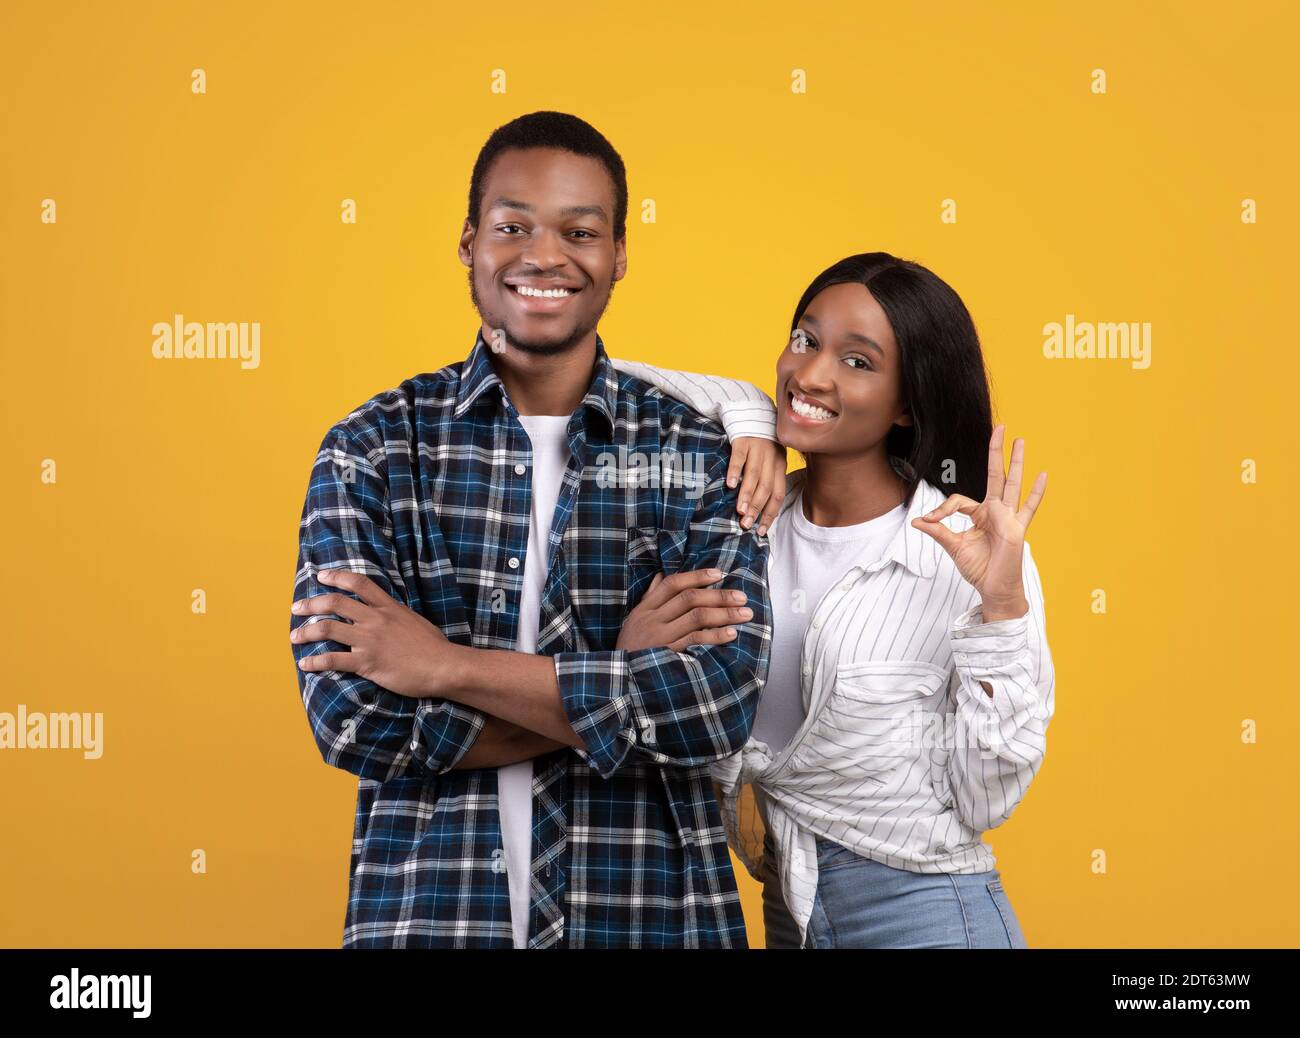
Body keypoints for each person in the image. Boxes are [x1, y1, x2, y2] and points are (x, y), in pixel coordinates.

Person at [287, 111, 787, 948]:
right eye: (512, 225)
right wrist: (622, 674)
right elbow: (352, 718)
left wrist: (440, 666)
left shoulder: (701, 455)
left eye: (579, 230)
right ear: (469, 243)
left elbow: (715, 706)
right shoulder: (371, 451)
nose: (544, 256)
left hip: (652, 922)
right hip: (430, 922)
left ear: (619, 255)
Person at [615, 252, 1056, 948]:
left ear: (907, 401)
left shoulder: (965, 554)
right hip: (791, 912)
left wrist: (1001, 606)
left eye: (858, 361)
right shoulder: (743, 525)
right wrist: (749, 415)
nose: (811, 374)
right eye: (805, 340)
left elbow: (987, 797)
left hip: (928, 916)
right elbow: (595, 372)